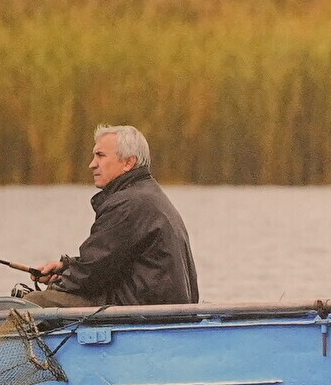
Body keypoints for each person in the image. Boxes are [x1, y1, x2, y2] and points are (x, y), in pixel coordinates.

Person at [21, 124, 198, 307]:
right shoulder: (148, 195)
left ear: (128, 162)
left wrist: (60, 281)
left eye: (100, 155)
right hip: (156, 305)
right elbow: (105, 263)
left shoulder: (127, 204)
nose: (92, 164)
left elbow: (92, 274)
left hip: (142, 311)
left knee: (33, 302)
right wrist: (65, 267)